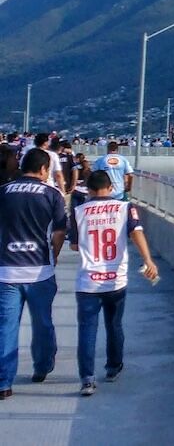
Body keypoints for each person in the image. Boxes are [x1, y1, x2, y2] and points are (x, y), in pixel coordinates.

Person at [69, 169, 161, 397]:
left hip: (88, 281)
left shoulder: (79, 211)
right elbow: (136, 233)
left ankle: (87, 380)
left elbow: (73, 245)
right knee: (114, 325)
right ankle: (113, 368)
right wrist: (148, 260)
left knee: (87, 330)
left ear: (88, 190)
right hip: (115, 280)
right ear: (111, 188)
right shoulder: (125, 208)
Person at [0, 148, 68, 398]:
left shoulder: (4, 191)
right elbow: (59, 232)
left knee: (6, 327)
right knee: (42, 323)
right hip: (39, 271)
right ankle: (42, 366)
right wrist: (55, 256)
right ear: (43, 170)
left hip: (6, 271)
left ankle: (3, 383)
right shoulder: (52, 194)